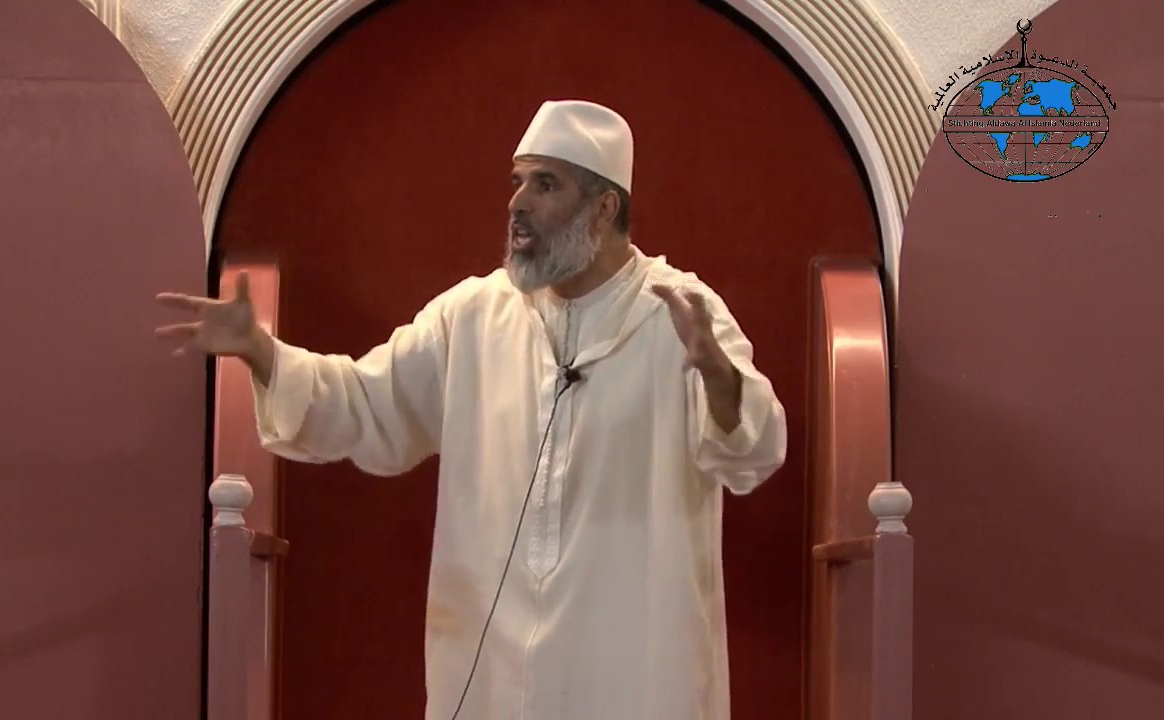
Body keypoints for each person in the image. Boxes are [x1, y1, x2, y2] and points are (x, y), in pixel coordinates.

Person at [155, 99, 786, 720]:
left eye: (545, 185)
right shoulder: (473, 315)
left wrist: (715, 373)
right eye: (516, 182)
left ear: (604, 207)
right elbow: (365, 402)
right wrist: (262, 352)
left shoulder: (680, 311)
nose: (517, 204)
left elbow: (753, 451)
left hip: (632, 670)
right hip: (493, 673)